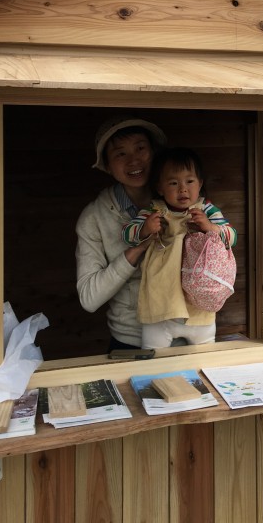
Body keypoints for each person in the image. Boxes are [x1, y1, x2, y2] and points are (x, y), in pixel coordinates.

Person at [122, 147, 237, 349]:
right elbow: (127, 235)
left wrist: (210, 228)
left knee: (204, 355)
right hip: (162, 301)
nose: (182, 189)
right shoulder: (155, 209)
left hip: (198, 305)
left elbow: (232, 237)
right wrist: (145, 228)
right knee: (153, 358)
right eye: (173, 183)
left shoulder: (207, 209)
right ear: (160, 188)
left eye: (189, 181)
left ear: (200, 184)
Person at [75, 115, 167, 351]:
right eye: (120, 154)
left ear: (154, 152)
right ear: (107, 164)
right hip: (130, 342)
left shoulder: (181, 199)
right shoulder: (94, 217)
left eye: (140, 148)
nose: (134, 160)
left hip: (188, 335)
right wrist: (136, 251)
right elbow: (89, 298)